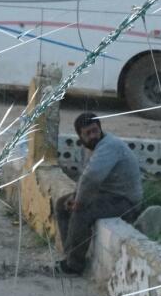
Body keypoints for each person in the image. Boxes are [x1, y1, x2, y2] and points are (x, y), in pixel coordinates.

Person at [53, 112, 143, 275]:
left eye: (95, 130)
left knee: (81, 211)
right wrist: (74, 197)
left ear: (101, 129)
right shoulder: (90, 149)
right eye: (88, 133)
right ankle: (69, 253)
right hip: (108, 195)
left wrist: (79, 201)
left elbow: (92, 178)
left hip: (126, 202)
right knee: (62, 204)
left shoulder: (109, 146)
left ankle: (74, 265)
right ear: (80, 136)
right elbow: (84, 178)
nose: (93, 135)